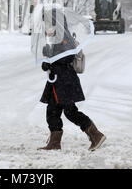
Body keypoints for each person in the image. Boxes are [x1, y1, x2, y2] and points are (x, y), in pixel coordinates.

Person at [38, 10, 106, 151]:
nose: (46, 26)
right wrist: (47, 56)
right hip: (57, 80)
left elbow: (67, 57)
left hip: (64, 80)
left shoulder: (64, 37)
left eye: (48, 23)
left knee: (69, 112)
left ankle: (96, 135)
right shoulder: (54, 36)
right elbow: (54, 53)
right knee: (53, 111)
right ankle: (55, 143)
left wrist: (51, 62)